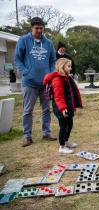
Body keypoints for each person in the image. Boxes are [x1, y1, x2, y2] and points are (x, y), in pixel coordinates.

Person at [14, 17, 57, 147]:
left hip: (45, 84)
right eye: (36, 28)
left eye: (41, 28)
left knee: (46, 109)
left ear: (43, 28)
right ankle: (27, 136)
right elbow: (17, 58)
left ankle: (46, 132)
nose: (39, 30)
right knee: (28, 110)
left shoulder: (49, 43)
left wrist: (50, 74)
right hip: (29, 83)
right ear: (31, 28)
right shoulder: (23, 40)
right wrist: (25, 71)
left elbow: (52, 60)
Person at [43, 58, 83, 154]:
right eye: (68, 66)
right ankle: (62, 146)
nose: (70, 68)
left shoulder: (66, 77)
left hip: (67, 106)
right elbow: (58, 96)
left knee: (70, 124)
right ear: (62, 66)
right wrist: (62, 108)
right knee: (64, 126)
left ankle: (66, 141)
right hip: (61, 108)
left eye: (71, 66)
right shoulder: (57, 79)